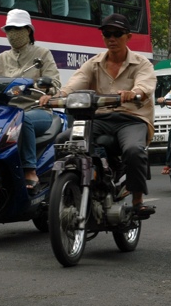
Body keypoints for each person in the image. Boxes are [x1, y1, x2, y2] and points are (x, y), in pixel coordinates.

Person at [40, 13, 156, 216]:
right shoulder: (93, 63)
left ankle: (137, 199)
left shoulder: (142, 63)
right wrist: (58, 96)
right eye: (107, 34)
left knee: (134, 151)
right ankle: (59, 194)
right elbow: (76, 83)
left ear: (128, 37)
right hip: (98, 118)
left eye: (117, 34)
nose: (111, 38)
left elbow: (144, 86)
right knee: (63, 141)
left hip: (131, 119)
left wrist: (134, 93)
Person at [0, 9, 61, 191]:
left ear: (28, 30)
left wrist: (45, 88)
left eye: (17, 28)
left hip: (37, 110)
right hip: (7, 113)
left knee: (23, 118)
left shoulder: (42, 54)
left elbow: (55, 82)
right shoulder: (0, 59)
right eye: (9, 29)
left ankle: (30, 169)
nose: (12, 33)